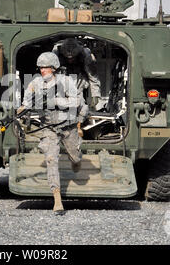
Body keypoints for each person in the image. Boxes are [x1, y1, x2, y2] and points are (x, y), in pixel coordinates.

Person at [18, 52, 84, 215]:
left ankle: (76, 160)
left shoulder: (66, 81)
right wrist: (22, 109)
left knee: (75, 156)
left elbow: (77, 102)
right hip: (48, 128)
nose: (43, 70)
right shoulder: (35, 83)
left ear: (54, 68)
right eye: (40, 68)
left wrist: (56, 102)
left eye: (46, 67)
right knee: (50, 159)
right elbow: (26, 102)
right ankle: (57, 198)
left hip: (67, 127)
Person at [54, 37, 101, 109]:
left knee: (80, 106)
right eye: (68, 58)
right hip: (61, 82)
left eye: (72, 58)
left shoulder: (86, 55)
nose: (70, 60)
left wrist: (95, 94)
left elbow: (93, 76)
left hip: (79, 81)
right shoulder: (56, 53)